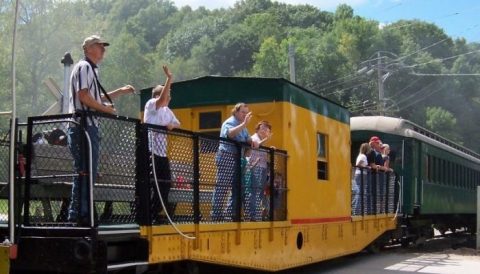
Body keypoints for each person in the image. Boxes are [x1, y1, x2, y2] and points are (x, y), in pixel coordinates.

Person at [68, 35, 135, 225]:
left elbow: (95, 98)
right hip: (84, 126)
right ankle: (82, 214)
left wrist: (120, 92)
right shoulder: (84, 67)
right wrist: (107, 111)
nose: (103, 49)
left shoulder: (90, 69)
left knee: (85, 171)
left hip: (87, 125)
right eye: (99, 46)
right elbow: (84, 97)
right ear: (89, 48)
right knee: (85, 171)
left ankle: (81, 212)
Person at [143, 65, 180, 224]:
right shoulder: (151, 104)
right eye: (167, 94)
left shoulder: (167, 111)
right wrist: (169, 79)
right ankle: (148, 213)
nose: (169, 98)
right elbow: (162, 99)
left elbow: (177, 123)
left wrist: (171, 125)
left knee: (166, 183)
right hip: (151, 150)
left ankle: (155, 211)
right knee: (153, 182)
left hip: (162, 152)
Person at [210, 103, 259, 221]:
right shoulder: (230, 122)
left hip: (238, 158)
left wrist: (253, 141)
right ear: (236, 112)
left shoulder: (244, 127)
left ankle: (231, 214)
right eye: (243, 112)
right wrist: (244, 124)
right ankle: (216, 214)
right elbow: (230, 134)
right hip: (226, 156)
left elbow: (247, 139)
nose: (245, 115)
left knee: (237, 187)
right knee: (222, 186)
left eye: (247, 113)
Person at [245, 121, 272, 221]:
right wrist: (266, 139)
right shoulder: (254, 138)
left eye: (267, 129)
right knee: (254, 191)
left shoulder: (262, 140)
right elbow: (255, 145)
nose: (265, 130)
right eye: (263, 128)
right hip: (255, 167)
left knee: (260, 191)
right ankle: (252, 215)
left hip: (262, 167)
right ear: (257, 129)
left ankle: (256, 213)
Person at [352, 143, 371, 215]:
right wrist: (367, 167)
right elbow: (358, 165)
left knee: (360, 193)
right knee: (360, 193)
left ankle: (356, 209)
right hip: (361, 176)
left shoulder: (361, 155)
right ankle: (356, 211)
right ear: (366, 149)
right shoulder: (363, 156)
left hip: (360, 175)